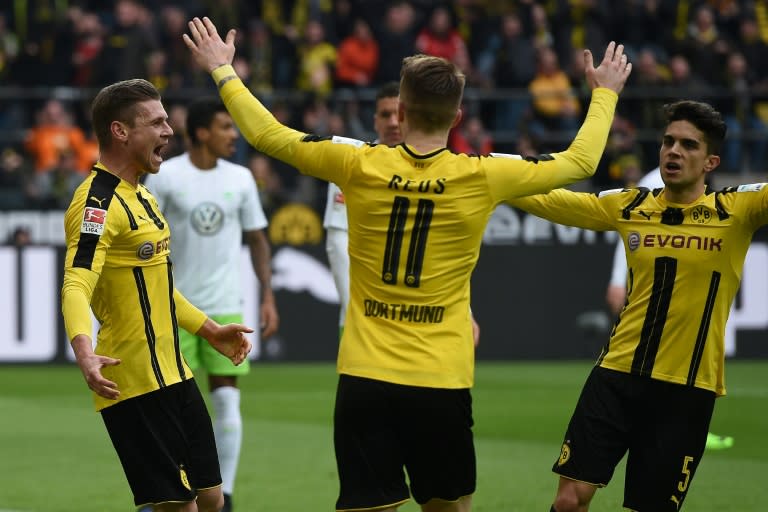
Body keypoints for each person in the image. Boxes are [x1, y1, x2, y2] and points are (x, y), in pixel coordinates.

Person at [183, 16, 631, 512]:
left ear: (402, 108)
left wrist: (223, 70)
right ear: (457, 117)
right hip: (440, 379)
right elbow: (582, 161)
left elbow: (268, 135)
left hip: (364, 376)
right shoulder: (484, 175)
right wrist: (605, 92)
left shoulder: (357, 163)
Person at [508, 100, 751, 511]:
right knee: (569, 500)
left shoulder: (737, 210)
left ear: (711, 161)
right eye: (668, 141)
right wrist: (488, 174)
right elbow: (552, 201)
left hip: (687, 389)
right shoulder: (631, 205)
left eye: (688, 145)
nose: (674, 151)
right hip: (616, 377)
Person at [61, 78, 253, 512]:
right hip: (134, 384)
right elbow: (76, 281)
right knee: (177, 506)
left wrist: (209, 330)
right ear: (120, 131)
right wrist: (83, 348)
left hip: (176, 375)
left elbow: (161, 287)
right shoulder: (95, 204)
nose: (170, 130)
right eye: (158, 122)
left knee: (212, 498)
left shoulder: (143, 195)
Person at [143, 97, 279, 512]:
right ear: (201, 132)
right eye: (225, 127)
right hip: (177, 308)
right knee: (170, 408)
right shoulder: (166, 177)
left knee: (227, 402)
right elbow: (146, 241)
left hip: (225, 307)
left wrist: (268, 294)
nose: (233, 135)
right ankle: (172, 490)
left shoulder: (240, 179)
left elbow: (257, 238)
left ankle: (227, 495)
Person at [324, 81, 481, 345]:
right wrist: (354, 305)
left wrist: (465, 310)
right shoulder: (353, 166)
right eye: (385, 114)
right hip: (366, 316)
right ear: (375, 121)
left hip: (423, 316)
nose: (393, 122)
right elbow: (337, 243)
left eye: (399, 113)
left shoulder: (438, 168)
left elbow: (445, 250)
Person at [605, 165, 735, 454]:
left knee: (691, 353)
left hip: (688, 282)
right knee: (655, 354)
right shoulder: (655, 180)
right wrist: (617, 279)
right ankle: (655, 427)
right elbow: (629, 228)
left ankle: (689, 427)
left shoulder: (694, 177)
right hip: (658, 283)